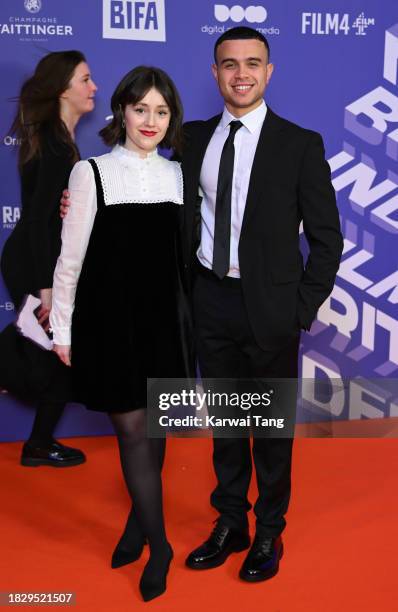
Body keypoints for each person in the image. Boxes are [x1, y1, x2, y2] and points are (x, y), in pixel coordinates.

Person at [180, 27, 344, 581]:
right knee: (226, 426)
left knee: (270, 433)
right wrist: (82, 192)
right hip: (211, 301)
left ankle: (270, 531)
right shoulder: (192, 138)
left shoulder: (300, 144)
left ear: (269, 72)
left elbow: (327, 239)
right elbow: (146, 184)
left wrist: (300, 309)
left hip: (271, 312)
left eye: (253, 63)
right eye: (229, 64)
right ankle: (231, 521)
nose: (241, 73)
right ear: (215, 73)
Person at [50, 66, 191, 602]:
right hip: (110, 323)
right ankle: (160, 546)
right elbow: (71, 259)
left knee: (154, 434)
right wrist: (62, 328)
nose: (150, 121)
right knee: (132, 431)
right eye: (140, 109)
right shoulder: (90, 173)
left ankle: (137, 523)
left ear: (170, 117)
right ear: (122, 112)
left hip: (165, 322)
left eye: (161, 111)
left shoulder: (178, 177)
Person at [0, 50, 97, 467]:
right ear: (63, 89)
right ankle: (38, 443)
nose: (94, 88)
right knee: (57, 350)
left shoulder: (56, 139)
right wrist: (45, 286)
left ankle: (38, 443)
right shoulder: (57, 146)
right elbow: (40, 222)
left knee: (55, 353)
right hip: (36, 262)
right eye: (85, 80)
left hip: (38, 258)